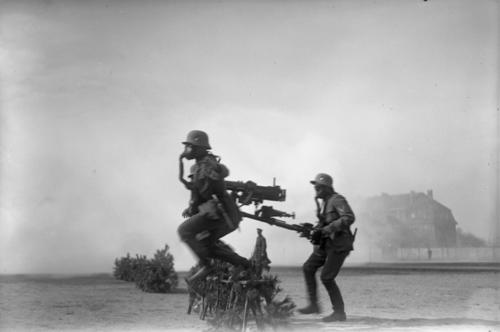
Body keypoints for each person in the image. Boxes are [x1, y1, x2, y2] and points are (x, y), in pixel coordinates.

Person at [177, 130, 251, 284]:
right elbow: (198, 193)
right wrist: (191, 207)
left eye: (189, 146)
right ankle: (243, 264)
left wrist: (216, 171)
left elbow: (221, 173)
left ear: (198, 148)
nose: (186, 150)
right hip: (223, 213)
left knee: (184, 231)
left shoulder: (208, 164)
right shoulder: (199, 167)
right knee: (205, 245)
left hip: (222, 213)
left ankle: (206, 266)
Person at [298, 173, 356, 322]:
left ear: (327, 188)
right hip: (327, 244)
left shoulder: (337, 200)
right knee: (308, 268)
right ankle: (314, 305)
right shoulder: (325, 203)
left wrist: (326, 230)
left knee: (327, 277)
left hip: (339, 245)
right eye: (315, 187)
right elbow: (324, 224)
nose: (316, 189)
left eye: (319, 187)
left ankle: (339, 313)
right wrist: (312, 229)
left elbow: (349, 217)